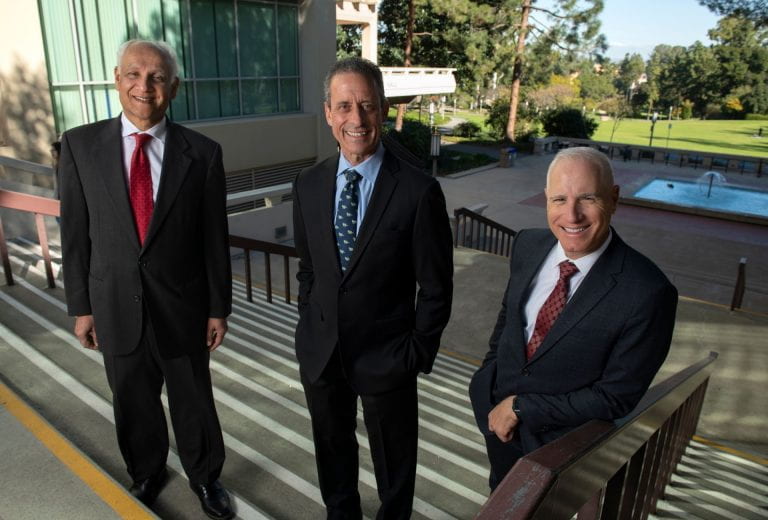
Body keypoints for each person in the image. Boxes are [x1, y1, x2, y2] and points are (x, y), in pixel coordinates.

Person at [58, 39, 234, 520]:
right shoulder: (78, 145)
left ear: (173, 88)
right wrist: (81, 306)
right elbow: (74, 233)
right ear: (117, 79)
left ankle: (206, 478)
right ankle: (147, 471)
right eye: (134, 74)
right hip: (113, 302)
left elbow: (213, 239)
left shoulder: (204, 154)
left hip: (185, 307)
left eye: (157, 77)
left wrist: (219, 307)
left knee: (193, 402)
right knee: (133, 401)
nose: (144, 86)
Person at [292, 57, 453, 519]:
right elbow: (309, 269)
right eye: (344, 106)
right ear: (328, 113)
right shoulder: (308, 183)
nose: (356, 119)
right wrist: (308, 330)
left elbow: (437, 286)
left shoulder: (419, 191)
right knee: (333, 457)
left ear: (382, 109)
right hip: (323, 353)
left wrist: (417, 352)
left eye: (366, 105)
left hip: (389, 357)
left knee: (394, 469)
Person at [469, 146, 678, 491]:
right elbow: (510, 320)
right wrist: (487, 380)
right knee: (500, 497)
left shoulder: (648, 292)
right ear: (546, 199)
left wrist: (522, 408)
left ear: (613, 199)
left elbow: (616, 397)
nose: (572, 215)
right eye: (559, 200)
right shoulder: (527, 244)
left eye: (588, 198)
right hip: (495, 422)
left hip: (559, 451)